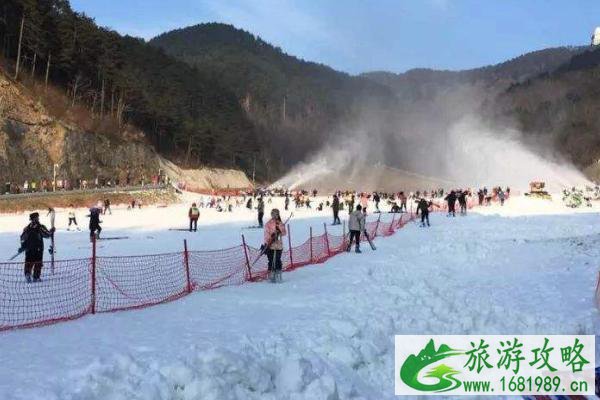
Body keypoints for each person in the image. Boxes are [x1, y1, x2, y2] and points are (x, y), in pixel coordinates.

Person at [19, 212, 54, 283]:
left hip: (28, 249)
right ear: (36, 218)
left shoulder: (27, 227)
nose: (38, 218)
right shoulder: (40, 226)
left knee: (28, 262)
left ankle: (27, 274)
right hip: (38, 248)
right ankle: (36, 277)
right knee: (38, 262)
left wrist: (23, 246)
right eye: (37, 217)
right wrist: (51, 231)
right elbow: (47, 235)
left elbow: (22, 237)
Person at [263, 208, 287, 283]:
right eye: (273, 214)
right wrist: (270, 239)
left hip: (278, 246)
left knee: (277, 260)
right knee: (271, 261)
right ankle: (271, 275)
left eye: (276, 214)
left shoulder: (280, 223)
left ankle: (278, 275)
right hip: (270, 246)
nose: (275, 215)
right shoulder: (268, 224)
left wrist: (280, 232)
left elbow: (284, 233)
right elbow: (266, 234)